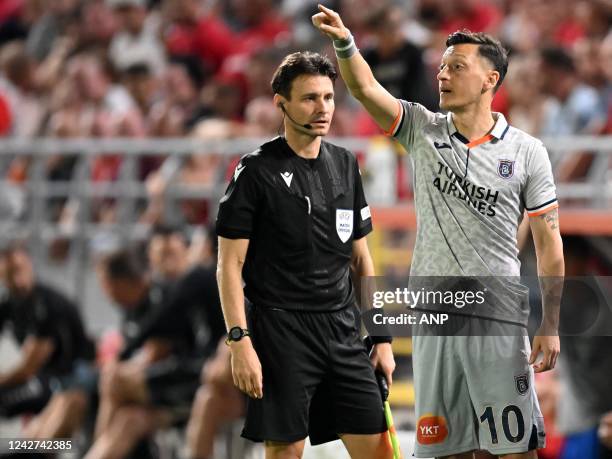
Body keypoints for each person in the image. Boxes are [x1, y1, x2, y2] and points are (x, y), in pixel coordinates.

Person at [312, 5, 564, 459]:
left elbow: (549, 245)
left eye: (458, 67)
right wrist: (346, 43)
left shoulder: (528, 152)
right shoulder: (422, 130)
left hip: (497, 312)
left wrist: (550, 324)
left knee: (514, 449)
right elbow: (365, 87)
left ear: (490, 80)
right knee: (442, 450)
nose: (444, 75)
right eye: (442, 67)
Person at [215, 51, 396, 459]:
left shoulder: (346, 164)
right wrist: (240, 342)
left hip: (343, 330)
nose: (322, 109)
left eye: (329, 98)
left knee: (379, 449)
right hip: (282, 332)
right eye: (310, 98)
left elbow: (363, 260)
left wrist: (381, 338)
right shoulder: (255, 172)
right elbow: (229, 266)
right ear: (281, 103)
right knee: (286, 451)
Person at [0, 243, 96, 438]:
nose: (16, 278)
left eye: (19, 269)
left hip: (70, 377)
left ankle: (40, 450)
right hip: (43, 377)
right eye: (9, 273)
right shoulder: (9, 302)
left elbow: (28, 369)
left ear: (29, 265)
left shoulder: (47, 304)